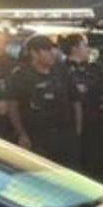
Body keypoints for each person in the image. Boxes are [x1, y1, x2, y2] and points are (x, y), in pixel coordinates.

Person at [8, 35, 82, 167]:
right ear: (34, 53)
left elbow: (75, 101)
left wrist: (77, 131)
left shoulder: (62, 71)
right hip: (37, 137)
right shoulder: (21, 75)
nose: (52, 53)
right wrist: (22, 134)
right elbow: (13, 107)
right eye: (47, 50)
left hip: (65, 135)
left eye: (53, 49)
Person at [62, 33, 103, 182]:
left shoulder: (95, 69)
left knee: (95, 169)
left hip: (95, 128)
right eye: (85, 45)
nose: (89, 49)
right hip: (70, 129)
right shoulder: (60, 71)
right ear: (75, 48)